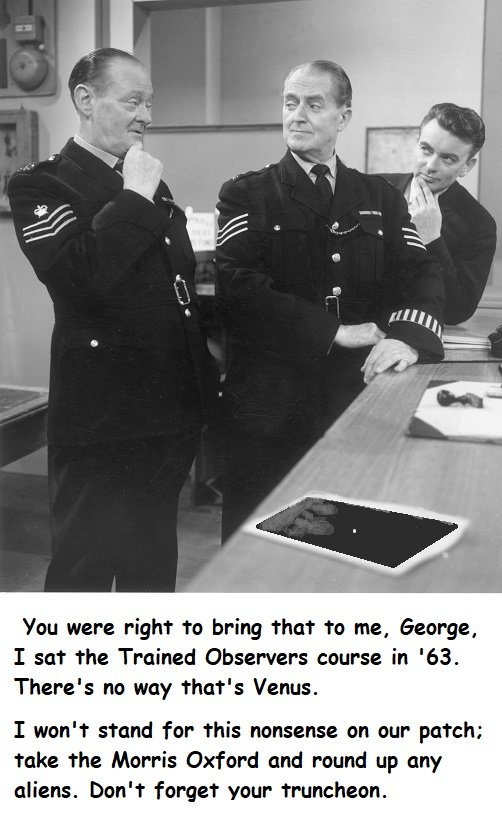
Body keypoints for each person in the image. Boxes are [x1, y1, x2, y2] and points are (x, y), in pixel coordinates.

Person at [8, 48, 217, 592]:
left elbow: (174, 289)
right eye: (132, 101)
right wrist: (136, 196)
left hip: (167, 409)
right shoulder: (43, 184)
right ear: (85, 99)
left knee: (152, 565)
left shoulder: (147, 182)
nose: (145, 115)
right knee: (85, 570)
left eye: (149, 102)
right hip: (102, 414)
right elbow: (80, 278)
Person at [216, 60, 445, 540]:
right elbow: (238, 286)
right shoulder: (246, 193)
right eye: (290, 103)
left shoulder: (379, 195)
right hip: (269, 405)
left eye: (314, 104)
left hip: (352, 398)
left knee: (343, 541)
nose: (297, 115)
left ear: (344, 117)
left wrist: (405, 338)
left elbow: (420, 272)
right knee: (256, 547)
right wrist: (332, 331)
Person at [383, 103, 496, 325]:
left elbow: (458, 311)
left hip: (417, 334)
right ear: (416, 144)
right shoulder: (375, 187)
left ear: (467, 166)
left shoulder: (479, 223)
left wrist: (432, 239)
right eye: (426, 149)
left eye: (448, 158)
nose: (431, 165)